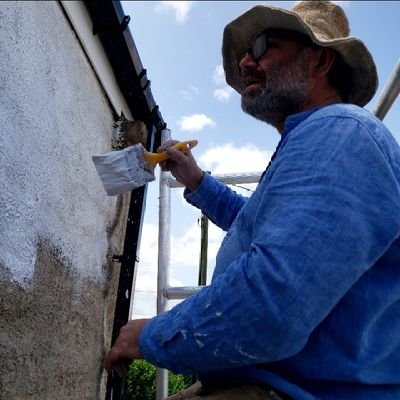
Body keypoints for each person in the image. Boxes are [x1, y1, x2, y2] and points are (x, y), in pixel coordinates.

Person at [104, 1, 400, 399]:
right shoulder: (319, 139)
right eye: (245, 52)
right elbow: (256, 224)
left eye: (263, 46)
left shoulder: (339, 133)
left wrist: (154, 334)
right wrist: (196, 182)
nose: (245, 62)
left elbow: (272, 305)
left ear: (320, 62)